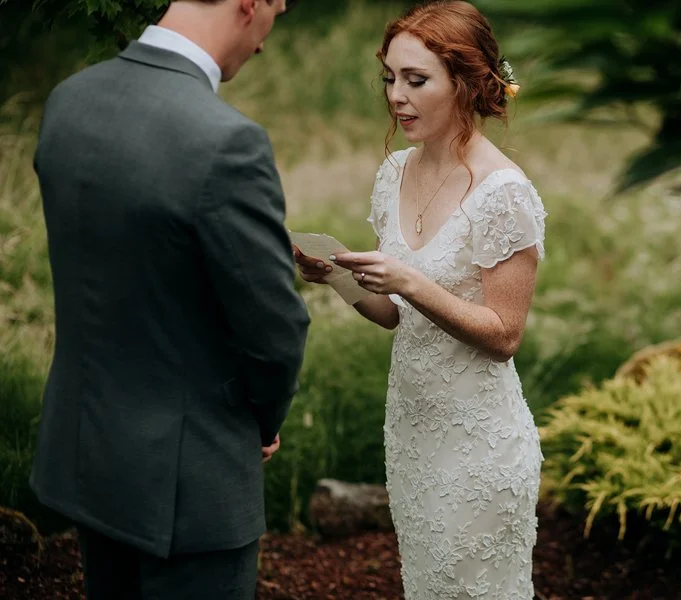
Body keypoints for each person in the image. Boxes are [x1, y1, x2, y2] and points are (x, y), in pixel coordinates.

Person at [30, 1, 309, 598]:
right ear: (249, 4)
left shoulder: (70, 100)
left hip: (87, 455)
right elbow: (275, 329)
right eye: (276, 14)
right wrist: (261, 419)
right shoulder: (226, 142)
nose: (263, 42)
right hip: (187, 484)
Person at [296, 2, 546, 597]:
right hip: (412, 436)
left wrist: (410, 281)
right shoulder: (395, 174)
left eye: (416, 80)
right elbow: (395, 319)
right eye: (390, 78)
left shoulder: (504, 194)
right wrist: (338, 276)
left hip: (480, 448)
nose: (396, 97)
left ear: (465, 82)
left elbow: (504, 336)